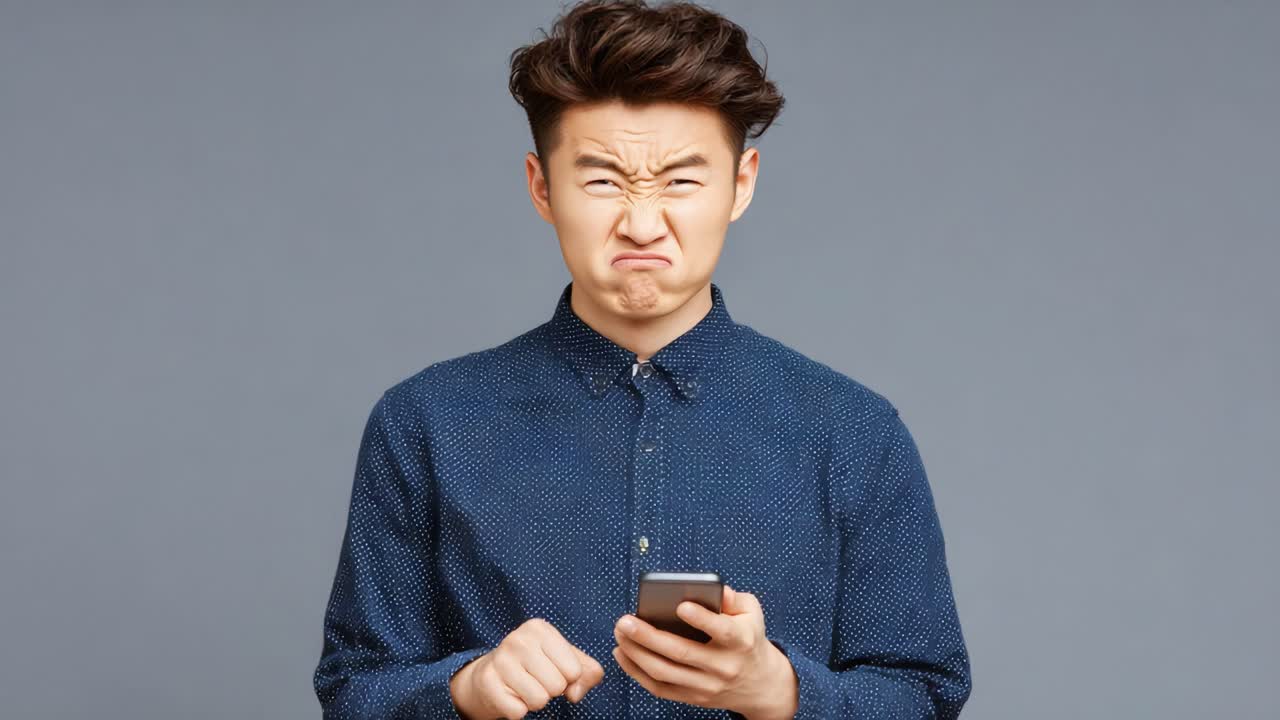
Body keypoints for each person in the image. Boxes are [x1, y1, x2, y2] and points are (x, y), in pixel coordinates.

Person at [312, 1, 972, 717]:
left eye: (682, 181)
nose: (642, 222)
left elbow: (926, 693)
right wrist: (467, 690)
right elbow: (355, 689)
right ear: (542, 186)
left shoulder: (853, 432)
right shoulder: (426, 423)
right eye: (602, 180)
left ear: (741, 183)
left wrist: (777, 690)